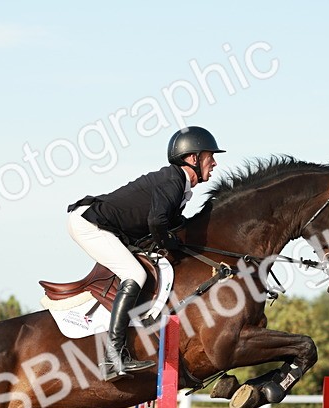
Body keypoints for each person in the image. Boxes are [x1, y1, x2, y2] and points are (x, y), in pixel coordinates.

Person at [67, 125, 224, 381]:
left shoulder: (179, 186)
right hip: (88, 224)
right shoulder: (173, 181)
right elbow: (156, 221)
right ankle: (112, 356)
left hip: (105, 226)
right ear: (193, 158)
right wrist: (171, 242)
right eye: (210, 156)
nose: (215, 163)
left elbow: (167, 224)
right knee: (135, 274)